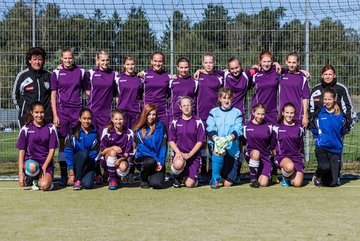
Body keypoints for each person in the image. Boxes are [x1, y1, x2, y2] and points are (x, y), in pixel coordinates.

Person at [50, 48, 85, 186]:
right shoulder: (56, 73)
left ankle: (76, 173)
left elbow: (88, 90)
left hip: (76, 112)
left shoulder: (81, 72)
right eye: (65, 58)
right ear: (61, 58)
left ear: (73, 58)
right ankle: (64, 174)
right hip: (62, 112)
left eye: (70, 58)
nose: (68, 60)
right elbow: (53, 95)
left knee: (77, 141)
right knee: (63, 144)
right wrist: (55, 115)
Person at [84, 50, 118, 184]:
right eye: (102, 60)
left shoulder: (114, 74)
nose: (105, 63)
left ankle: (107, 172)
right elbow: (86, 90)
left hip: (106, 115)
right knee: (94, 144)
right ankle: (96, 172)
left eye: (107, 60)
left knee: (106, 144)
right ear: (97, 60)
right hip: (93, 114)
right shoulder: (90, 74)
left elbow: (117, 92)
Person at [193, 53, 224, 183]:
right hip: (201, 115)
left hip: (214, 116)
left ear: (214, 62)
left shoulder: (219, 77)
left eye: (211, 62)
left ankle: (212, 168)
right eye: (206, 63)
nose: (208, 65)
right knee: (202, 142)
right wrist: (199, 71)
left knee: (214, 142)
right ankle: (203, 169)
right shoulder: (198, 77)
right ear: (202, 63)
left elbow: (228, 71)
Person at [206, 87, 243, 189]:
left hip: (231, 148)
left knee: (227, 184)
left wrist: (227, 138)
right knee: (219, 148)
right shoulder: (213, 112)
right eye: (224, 98)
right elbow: (210, 128)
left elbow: (238, 129)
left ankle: (224, 174)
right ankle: (215, 178)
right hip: (217, 145)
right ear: (219, 99)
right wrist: (217, 139)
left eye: (229, 98)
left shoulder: (237, 113)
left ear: (232, 99)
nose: (226, 100)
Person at [16, 101, 58, 191]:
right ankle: (34, 178)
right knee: (32, 167)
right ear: (31, 112)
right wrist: (20, 174)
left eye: (42, 112)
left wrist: (45, 166)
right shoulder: (26, 128)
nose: (39, 115)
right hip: (32, 162)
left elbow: (52, 150)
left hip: (46, 162)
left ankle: (42, 180)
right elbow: (21, 152)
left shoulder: (51, 128)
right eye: (36, 112)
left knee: (45, 186)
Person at [311, 88, 348, 187]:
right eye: (325, 99)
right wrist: (315, 136)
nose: (327, 102)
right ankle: (317, 176)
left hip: (335, 149)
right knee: (324, 166)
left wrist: (339, 139)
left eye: (329, 99)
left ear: (335, 99)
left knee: (332, 183)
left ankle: (326, 177)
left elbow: (345, 129)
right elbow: (313, 126)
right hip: (322, 147)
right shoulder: (319, 114)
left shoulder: (341, 115)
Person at [169, 97, 205, 188]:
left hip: (193, 156)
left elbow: (200, 141)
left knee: (189, 185)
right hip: (179, 155)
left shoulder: (198, 122)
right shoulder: (175, 122)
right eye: (184, 105)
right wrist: (178, 153)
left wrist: (190, 154)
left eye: (188, 105)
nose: (186, 107)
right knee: (178, 164)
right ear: (180, 107)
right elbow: (171, 140)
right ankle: (177, 176)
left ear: (192, 106)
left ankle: (188, 177)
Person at [12, 47, 52, 127]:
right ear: (30, 60)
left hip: (46, 117)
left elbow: (54, 95)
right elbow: (15, 96)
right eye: (35, 59)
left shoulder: (48, 75)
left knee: (45, 139)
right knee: (28, 139)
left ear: (43, 60)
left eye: (40, 59)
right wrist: (23, 110)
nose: (37, 62)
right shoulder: (22, 76)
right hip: (27, 117)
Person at [309, 64, 353, 132]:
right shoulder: (315, 90)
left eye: (330, 74)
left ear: (334, 75)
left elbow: (347, 107)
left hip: (337, 128)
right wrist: (312, 127)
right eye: (325, 74)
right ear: (322, 75)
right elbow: (311, 109)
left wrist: (347, 125)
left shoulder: (341, 88)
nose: (327, 77)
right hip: (320, 129)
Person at [133, 103, 168, 189]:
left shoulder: (161, 126)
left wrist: (161, 162)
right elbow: (142, 149)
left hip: (158, 161)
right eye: (149, 114)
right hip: (144, 159)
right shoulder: (138, 129)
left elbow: (164, 146)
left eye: (153, 114)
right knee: (150, 161)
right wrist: (156, 160)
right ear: (145, 114)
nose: (151, 117)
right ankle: (143, 177)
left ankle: (151, 177)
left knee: (157, 184)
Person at [64, 108, 100, 190]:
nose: (86, 121)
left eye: (89, 118)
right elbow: (68, 152)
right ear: (80, 119)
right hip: (76, 163)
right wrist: (71, 173)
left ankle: (80, 177)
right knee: (84, 152)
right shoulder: (72, 132)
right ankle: (77, 180)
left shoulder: (95, 134)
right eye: (84, 118)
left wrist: (84, 166)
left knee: (88, 185)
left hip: (88, 164)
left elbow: (94, 153)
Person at [272, 103, 305, 187]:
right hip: (282, 157)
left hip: (296, 157)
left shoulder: (299, 128)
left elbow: (301, 146)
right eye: (287, 113)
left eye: (291, 113)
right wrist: (276, 157)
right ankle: (285, 177)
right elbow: (272, 145)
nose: (289, 115)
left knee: (297, 184)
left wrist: (302, 158)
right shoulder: (276, 128)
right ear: (283, 113)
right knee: (289, 166)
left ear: (294, 114)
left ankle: (289, 175)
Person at [100, 109, 133, 190]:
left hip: (121, 159)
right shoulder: (107, 131)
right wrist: (112, 148)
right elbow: (102, 151)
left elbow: (127, 153)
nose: (118, 121)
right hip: (107, 159)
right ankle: (112, 180)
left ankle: (116, 177)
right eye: (116, 119)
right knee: (112, 152)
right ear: (112, 119)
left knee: (123, 167)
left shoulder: (129, 132)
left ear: (124, 119)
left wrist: (120, 160)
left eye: (120, 119)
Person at [243, 104, 273, 188]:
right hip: (252, 155)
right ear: (253, 112)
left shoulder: (269, 126)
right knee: (256, 152)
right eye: (258, 114)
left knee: (263, 184)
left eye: (262, 114)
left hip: (265, 157)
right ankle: (253, 179)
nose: (260, 116)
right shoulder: (246, 126)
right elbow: (243, 142)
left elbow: (272, 144)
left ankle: (259, 173)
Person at [279, 52, 310, 128]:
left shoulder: (303, 78)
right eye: (289, 62)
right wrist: (276, 63)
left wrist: (305, 115)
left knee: (296, 138)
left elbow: (305, 98)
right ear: (286, 62)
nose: (291, 65)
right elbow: (270, 66)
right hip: (283, 115)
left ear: (298, 62)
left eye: (294, 62)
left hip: (297, 115)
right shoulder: (281, 75)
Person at [141, 51, 171, 130]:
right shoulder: (144, 74)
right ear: (151, 61)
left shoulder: (168, 76)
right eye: (155, 61)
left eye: (160, 61)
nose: (157, 64)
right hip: (148, 111)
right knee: (147, 136)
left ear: (163, 62)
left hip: (162, 112)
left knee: (163, 137)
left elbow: (170, 93)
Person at [250, 51, 279, 124]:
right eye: (264, 61)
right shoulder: (255, 74)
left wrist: (301, 71)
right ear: (260, 62)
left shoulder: (276, 71)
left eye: (268, 61)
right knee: (257, 134)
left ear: (272, 62)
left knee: (272, 134)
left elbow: (290, 71)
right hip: (258, 111)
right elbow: (242, 77)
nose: (266, 64)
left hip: (272, 112)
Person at [116, 55, 143, 130]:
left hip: (135, 112)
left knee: (134, 136)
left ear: (135, 65)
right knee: (122, 134)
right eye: (128, 64)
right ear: (124, 65)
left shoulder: (140, 79)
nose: (130, 67)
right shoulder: (118, 77)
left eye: (132, 64)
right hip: (122, 111)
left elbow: (141, 95)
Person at [169, 57, 198, 122]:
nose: (184, 70)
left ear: (189, 67)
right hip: (175, 114)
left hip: (190, 114)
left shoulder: (195, 82)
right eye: (181, 67)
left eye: (186, 67)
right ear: (177, 68)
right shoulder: (172, 81)